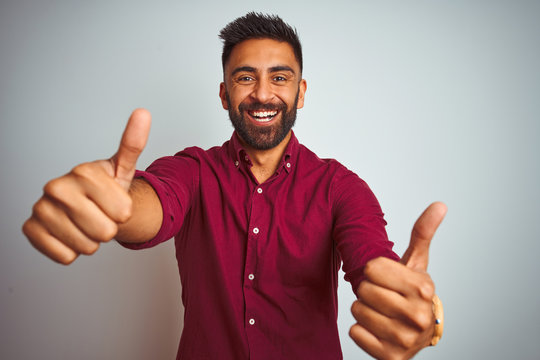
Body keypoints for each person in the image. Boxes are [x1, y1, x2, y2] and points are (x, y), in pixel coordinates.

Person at [22, 12, 446, 360]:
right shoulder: (192, 169)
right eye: (245, 78)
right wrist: (114, 206)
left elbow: (376, 268)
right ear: (225, 94)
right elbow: (152, 202)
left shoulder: (341, 187)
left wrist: (419, 315)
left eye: (279, 78)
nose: (263, 94)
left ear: (300, 93)